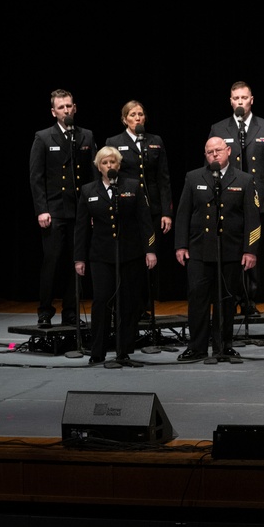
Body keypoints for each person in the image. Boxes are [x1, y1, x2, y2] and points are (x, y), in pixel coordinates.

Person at [174, 137, 261, 362]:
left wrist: (250, 250)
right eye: (209, 151)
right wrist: (181, 245)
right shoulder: (194, 177)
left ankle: (224, 345)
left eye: (218, 150)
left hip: (230, 250)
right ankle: (197, 347)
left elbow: (252, 219)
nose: (214, 154)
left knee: (226, 300)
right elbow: (183, 214)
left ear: (228, 151)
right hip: (199, 250)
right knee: (198, 299)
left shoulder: (243, 179)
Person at [74, 147, 157, 366]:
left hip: (130, 254)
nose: (109, 166)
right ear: (98, 166)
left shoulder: (132, 186)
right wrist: (79, 258)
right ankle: (97, 351)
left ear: (118, 165)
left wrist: (150, 250)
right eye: (105, 163)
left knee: (127, 302)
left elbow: (145, 221)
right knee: (101, 301)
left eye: (113, 162)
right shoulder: (88, 190)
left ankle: (124, 349)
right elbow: (81, 227)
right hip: (101, 255)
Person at [208, 81, 264, 317]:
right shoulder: (219, 128)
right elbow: (210, 167)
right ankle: (233, 298)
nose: (240, 102)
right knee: (231, 250)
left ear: (252, 100)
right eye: (236, 98)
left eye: (244, 98)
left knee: (253, 248)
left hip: (258, 200)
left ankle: (250, 299)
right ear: (231, 101)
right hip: (229, 200)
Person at [29, 88, 96, 328]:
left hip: (78, 210)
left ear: (74, 108)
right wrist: (41, 209)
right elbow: (36, 177)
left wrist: (92, 210)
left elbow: (92, 176)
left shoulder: (85, 136)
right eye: (61, 107)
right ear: (53, 112)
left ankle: (70, 311)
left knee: (75, 261)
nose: (66, 110)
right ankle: (45, 311)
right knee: (52, 261)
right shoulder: (44, 137)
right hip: (55, 210)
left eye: (69, 106)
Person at [105, 100, 173, 315]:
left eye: (140, 114)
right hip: (128, 208)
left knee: (150, 258)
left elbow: (163, 179)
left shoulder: (155, 141)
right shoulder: (114, 141)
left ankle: (145, 306)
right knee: (130, 258)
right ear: (125, 118)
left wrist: (166, 212)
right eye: (133, 114)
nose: (137, 118)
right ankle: (126, 305)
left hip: (151, 209)